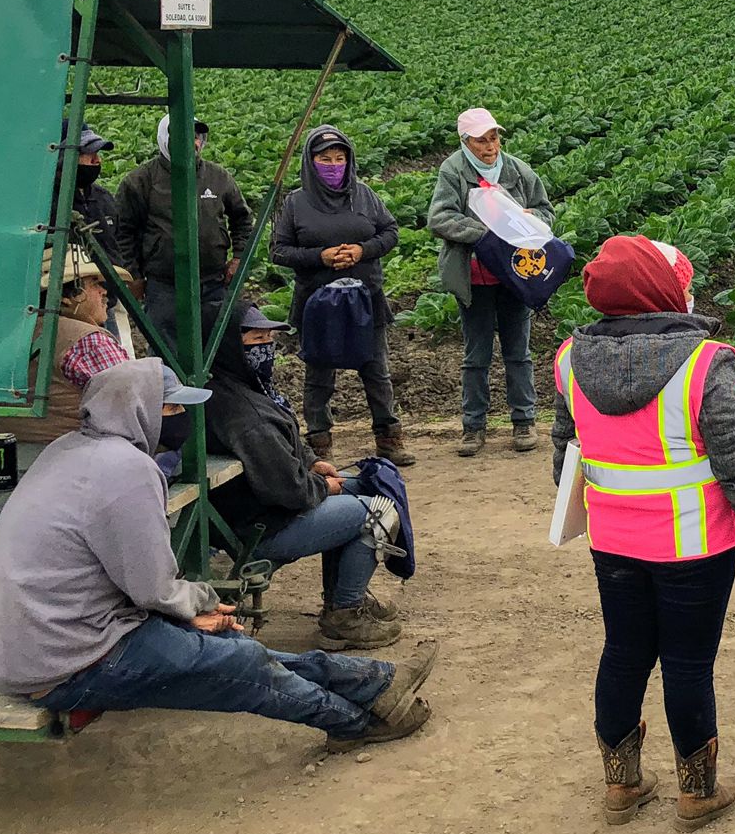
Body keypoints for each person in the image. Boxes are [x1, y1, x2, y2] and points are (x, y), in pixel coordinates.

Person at [0, 359, 435, 751]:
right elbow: (152, 585)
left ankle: (376, 682)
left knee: (231, 646)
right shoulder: (127, 470)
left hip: (45, 641)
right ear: (138, 410)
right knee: (238, 664)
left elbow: (139, 584)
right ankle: (358, 723)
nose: (180, 418)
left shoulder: (69, 449)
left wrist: (189, 609)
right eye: (172, 407)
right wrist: (198, 603)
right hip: (66, 661)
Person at [550, 236, 735, 829]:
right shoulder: (707, 361)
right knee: (688, 664)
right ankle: (697, 792)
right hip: (694, 544)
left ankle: (621, 785)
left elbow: (565, 457)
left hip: (611, 542)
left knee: (624, 652)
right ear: (661, 290)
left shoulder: (567, 360)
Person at [205, 306, 405, 649]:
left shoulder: (243, 387)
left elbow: (287, 447)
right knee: (381, 510)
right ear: (230, 348)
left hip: (261, 510)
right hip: (264, 528)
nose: (266, 346)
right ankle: (346, 615)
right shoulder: (245, 414)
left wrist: (312, 462)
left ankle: (338, 600)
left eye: (269, 337)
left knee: (364, 484)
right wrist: (319, 486)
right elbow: (288, 490)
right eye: (256, 339)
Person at [271, 125, 408, 464]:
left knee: (376, 371)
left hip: (366, 298)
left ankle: (389, 438)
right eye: (324, 159)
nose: (333, 165)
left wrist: (363, 251)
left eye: (339, 158)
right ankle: (319, 444)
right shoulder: (295, 203)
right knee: (318, 374)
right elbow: (279, 251)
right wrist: (321, 257)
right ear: (310, 162)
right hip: (318, 304)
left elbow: (391, 232)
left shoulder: (363, 195)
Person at [427, 108, 555, 457]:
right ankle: (473, 427)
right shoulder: (453, 170)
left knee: (518, 351)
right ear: (465, 142)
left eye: (494, 138)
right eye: (481, 140)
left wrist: (529, 219)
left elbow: (546, 211)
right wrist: (485, 234)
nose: (490, 146)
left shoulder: (516, 170)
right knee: (476, 353)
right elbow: (439, 217)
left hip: (515, 275)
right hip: (475, 276)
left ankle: (524, 421)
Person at [113, 115, 254, 347]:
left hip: (212, 283)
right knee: (165, 353)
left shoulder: (218, 177)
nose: (193, 143)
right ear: (165, 139)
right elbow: (123, 231)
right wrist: (133, 275)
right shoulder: (141, 180)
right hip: (164, 287)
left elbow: (242, 218)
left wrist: (239, 256)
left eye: (196, 137)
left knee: (216, 351)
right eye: (183, 137)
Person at [19, 248, 131, 454]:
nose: (103, 291)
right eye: (94, 284)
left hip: (14, 448)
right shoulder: (90, 341)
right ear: (68, 297)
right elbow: (130, 405)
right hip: (76, 454)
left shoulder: (18, 331)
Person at [70, 123, 122, 258]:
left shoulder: (104, 198)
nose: (97, 160)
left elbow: (120, 243)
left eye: (97, 153)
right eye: (88, 153)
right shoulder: (48, 204)